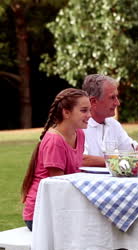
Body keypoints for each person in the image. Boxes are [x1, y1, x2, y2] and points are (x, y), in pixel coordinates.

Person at [21, 88, 91, 231]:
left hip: (61, 207)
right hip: (41, 214)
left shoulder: (80, 134)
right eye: (84, 111)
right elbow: (58, 186)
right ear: (66, 112)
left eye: (89, 110)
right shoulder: (54, 140)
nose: (89, 115)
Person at [81, 74, 138, 167]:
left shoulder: (113, 124)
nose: (117, 103)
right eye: (112, 97)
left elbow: (134, 148)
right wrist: (119, 160)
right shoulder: (78, 125)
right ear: (93, 102)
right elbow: (81, 159)